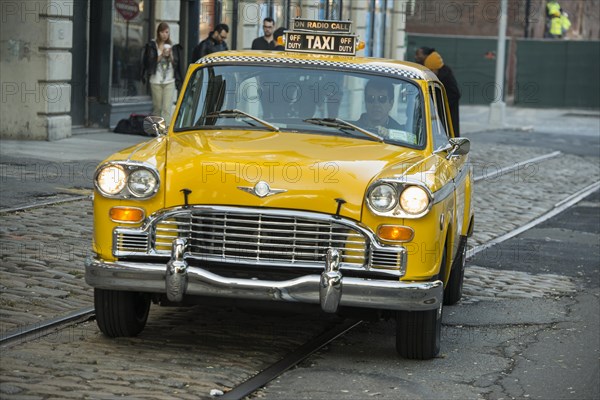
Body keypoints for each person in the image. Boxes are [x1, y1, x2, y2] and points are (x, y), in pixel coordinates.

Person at [141, 22, 183, 125]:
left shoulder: (173, 46)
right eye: (162, 32)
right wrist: (161, 56)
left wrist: (171, 55)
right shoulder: (152, 45)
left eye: (167, 32)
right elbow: (149, 63)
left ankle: (165, 132)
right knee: (157, 108)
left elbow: (176, 64)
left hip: (169, 81)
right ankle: (156, 131)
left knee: (166, 108)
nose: (165, 35)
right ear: (158, 33)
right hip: (156, 80)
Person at [415, 47, 461, 137]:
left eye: (432, 71)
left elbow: (455, 94)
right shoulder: (442, 73)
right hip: (440, 112)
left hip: (446, 113)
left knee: (447, 133)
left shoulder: (444, 76)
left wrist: (441, 105)